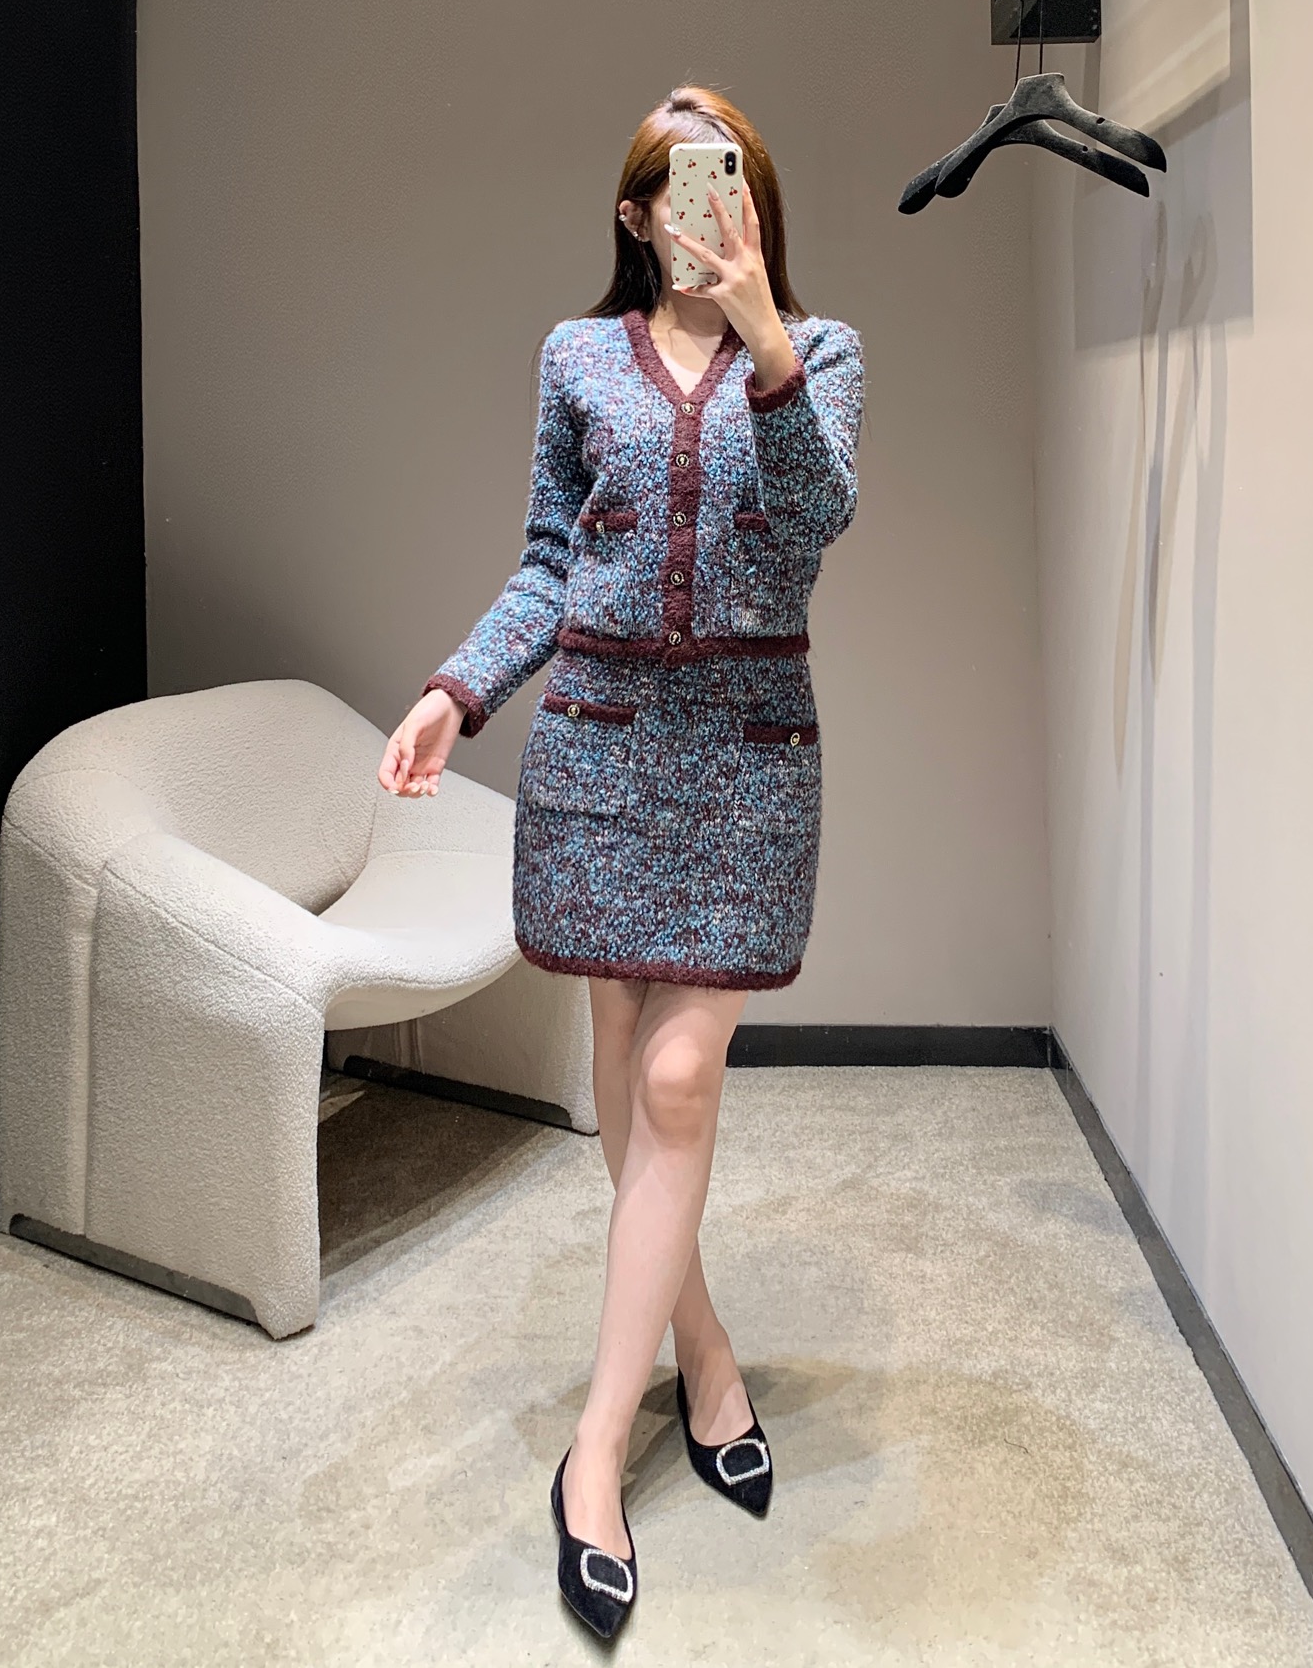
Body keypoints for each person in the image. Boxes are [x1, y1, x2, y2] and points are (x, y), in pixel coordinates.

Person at [378, 86, 865, 1639]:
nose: (708, 200)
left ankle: (596, 1451)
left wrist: (765, 336)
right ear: (637, 214)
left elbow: (815, 522)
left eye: (731, 174)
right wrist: (458, 690)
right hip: (596, 750)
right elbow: (549, 561)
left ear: (754, 202)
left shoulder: (821, 353)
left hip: (744, 761)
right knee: (624, 1072)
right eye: (677, 178)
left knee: (674, 1081)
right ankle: (703, 1359)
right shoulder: (576, 359)